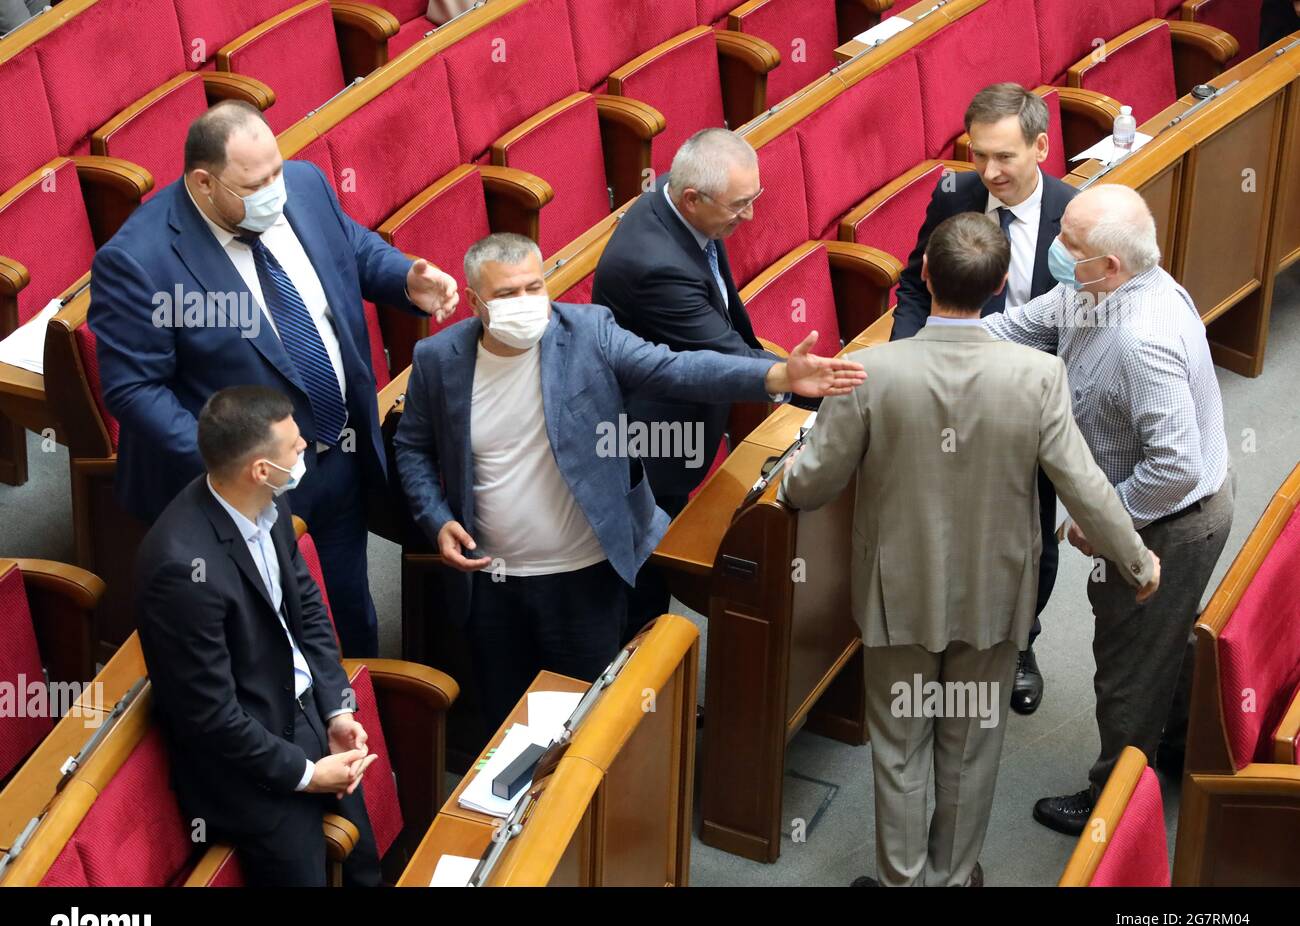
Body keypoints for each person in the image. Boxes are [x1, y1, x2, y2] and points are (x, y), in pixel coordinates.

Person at [779, 212, 1159, 887]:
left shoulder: (868, 371)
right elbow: (1084, 483)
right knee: (970, 747)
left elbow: (814, 484)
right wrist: (1136, 559)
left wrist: (791, 475)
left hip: (898, 597)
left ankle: (900, 881)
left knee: (899, 746)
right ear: (1002, 283)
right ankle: (952, 878)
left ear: (924, 275)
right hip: (993, 595)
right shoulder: (1038, 375)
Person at [394, 233, 864, 729]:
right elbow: (413, 448)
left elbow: (676, 369)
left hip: (585, 575)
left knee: (589, 729)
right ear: (474, 301)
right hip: (491, 581)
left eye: (535, 287)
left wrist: (776, 377)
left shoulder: (590, 332)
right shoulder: (437, 359)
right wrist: (437, 518)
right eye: (507, 295)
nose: (526, 303)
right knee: (508, 724)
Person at [89, 100, 459, 657]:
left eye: (275, 173)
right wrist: (237, 462)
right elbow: (134, 390)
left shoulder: (304, 183)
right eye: (255, 183)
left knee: (349, 617)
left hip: (338, 450)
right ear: (204, 183)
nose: (274, 192)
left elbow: (350, 248)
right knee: (269, 647)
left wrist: (404, 277)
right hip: (242, 490)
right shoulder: (139, 262)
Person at [982, 184, 1233, 835]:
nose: (1054, 249)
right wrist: (931, 345)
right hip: (1166, 504)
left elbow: (1174, 466)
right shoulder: (1094, 285)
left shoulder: (1139, 339)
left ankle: (1113, 804)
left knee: (1128, 665)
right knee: (1163, 643)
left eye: (1068, 242)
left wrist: (1107, 520)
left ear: (1111, 264)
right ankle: (1179, 743)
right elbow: (1015, 327)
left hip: (1169, 523)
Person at [135, 385, 383, 887]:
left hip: (303, 709)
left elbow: (307, 610)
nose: (305, 452)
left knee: (365, 867)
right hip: (243, 764)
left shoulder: (268, 500)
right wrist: (309, 774)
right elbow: (212, 718)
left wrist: (336, 708)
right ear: (260, 470)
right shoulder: (181, 568)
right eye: (295, 447)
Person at [894, 83, 1079, 715]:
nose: (990, 173)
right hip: (945, 394)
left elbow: (1086, 326)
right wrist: (913, 359)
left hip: (1029, 405)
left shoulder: (1073, 217)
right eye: (979, 156)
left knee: (1030, 535)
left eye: (1005, 157)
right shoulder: (955, 196)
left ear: (1042, 146)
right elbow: (915, 282)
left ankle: (1020, 642)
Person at [592, 128, 778, 637]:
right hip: (651, 443)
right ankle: (635, 686)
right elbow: (722, 352)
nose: (751, 217)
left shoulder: (682, 198)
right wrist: (814, 386)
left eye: (754, 199)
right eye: (740, 205)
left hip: (681, 421)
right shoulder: (652, 265)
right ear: (692, 199)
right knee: (646, 570)